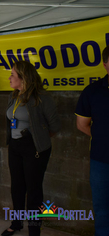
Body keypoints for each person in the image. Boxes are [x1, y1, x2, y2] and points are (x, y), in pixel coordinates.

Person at [2, 61, 60, 236]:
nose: (10, 77)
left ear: (24, 77)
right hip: (15, 146)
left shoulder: (42, 98)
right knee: (17, 187)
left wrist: (37, 139)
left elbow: (55, 127)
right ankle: (17, 223)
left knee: (34, 190)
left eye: (13, 75)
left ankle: (34, 229)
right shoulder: (14, 96)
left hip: (34, 148)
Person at [75, 46, 109, 236]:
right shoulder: (92, 91)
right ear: (105, 65)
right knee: (103, 209)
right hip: (101, 161)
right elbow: (82, 124)